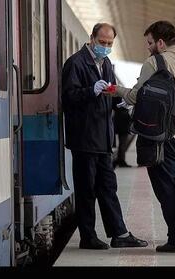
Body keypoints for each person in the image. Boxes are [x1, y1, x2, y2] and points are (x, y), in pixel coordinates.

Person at [105, 21, 175, 252]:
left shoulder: (154, 62)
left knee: (168, 191)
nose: (148, 47)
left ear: (161, 42)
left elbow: (135, 96)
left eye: (149, 42)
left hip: (162, 139)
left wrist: (116, 90)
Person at [62, 23, 148, 250]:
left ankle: (119, 233)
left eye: (110, 44)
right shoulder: (76, 63)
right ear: (92, 38)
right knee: (86, 190)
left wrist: (118, 102)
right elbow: (68, 97)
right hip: (84, 138)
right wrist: (90, 91)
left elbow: (108, 92)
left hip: (102, 138)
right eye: (102, 43)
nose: (106, 47)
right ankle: (87, 237)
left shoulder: (106, 63)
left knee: (108, 187)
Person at [112, 98, 135, 168]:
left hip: (120, 123)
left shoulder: (117, 98)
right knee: (123, 143)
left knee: (123, 143)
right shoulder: (120, 98)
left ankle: (119, 159)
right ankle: (120, 160)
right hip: (123, 123)